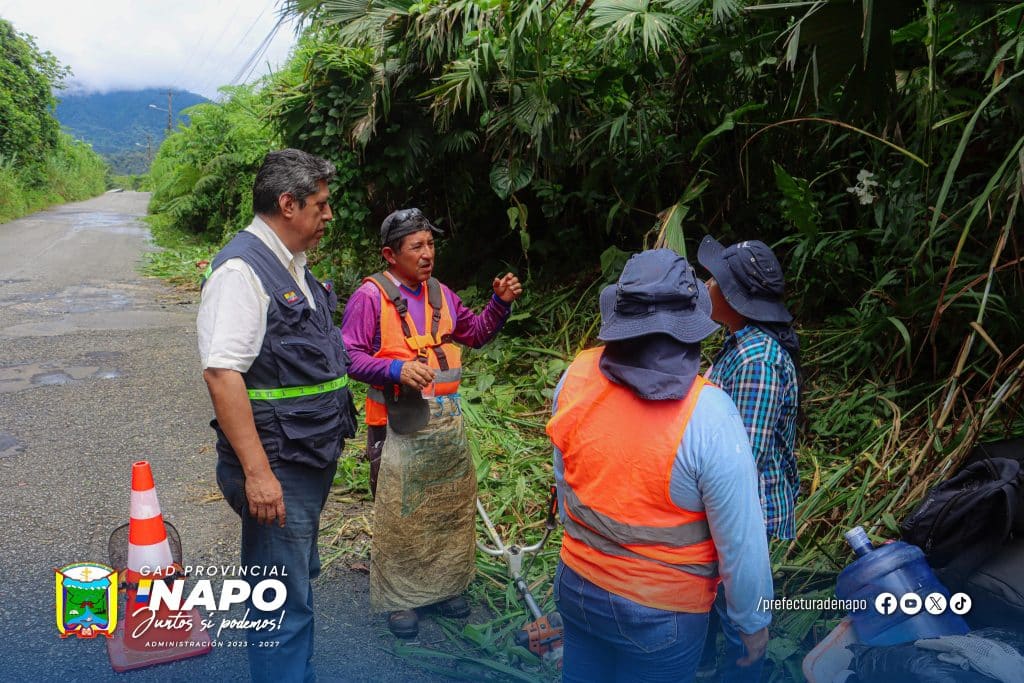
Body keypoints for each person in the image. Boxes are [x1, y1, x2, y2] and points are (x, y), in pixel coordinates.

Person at [546, 249, 773, 683]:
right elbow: (741, 539)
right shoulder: (710, 413)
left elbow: (564, 475)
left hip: (576, 584)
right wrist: (752, 623)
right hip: (661, 613)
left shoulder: (575, 375)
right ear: (690, 327)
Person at [198, 149, 357, 683]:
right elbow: (223, 374)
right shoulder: (243, 272)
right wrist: (258, 475)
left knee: (295, 583)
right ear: (287, 204)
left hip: (306, 457)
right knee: (280, 604)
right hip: (279, 467)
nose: (328, 215)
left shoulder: (295, 267)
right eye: (321, 205)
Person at [341, 207, 522, 638]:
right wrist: (395, 371)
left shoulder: (440, 293)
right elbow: (348, 356)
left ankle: (442, 589)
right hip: (394, 421)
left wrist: (500, 303)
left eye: (431, 244)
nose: (427, 254)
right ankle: (402, 600)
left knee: (443, 507)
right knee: (402, 512)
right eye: (416, 246)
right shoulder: (370, 297)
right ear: (390, 253)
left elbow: (474, 333)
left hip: (445, 422)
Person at [696, 236, 801, 682]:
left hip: (742, 514)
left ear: (735, 298)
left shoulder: (757, 359)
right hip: (728, 508)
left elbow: (742, 460)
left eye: (714, 280)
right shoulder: (739, 341)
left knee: (739, 612)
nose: (705, 284)